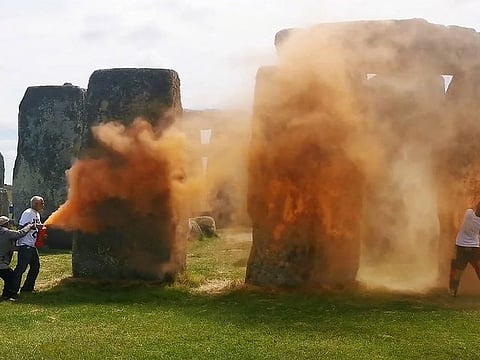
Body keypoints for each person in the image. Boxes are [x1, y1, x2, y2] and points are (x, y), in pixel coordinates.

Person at [11, 196, 45, 299]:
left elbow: (34, 227)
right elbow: (21, 227)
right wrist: (35, 226)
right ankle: (12, 291)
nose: (43, 205)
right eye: (41, 203)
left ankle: (27, 288)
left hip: (32, 245)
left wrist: (40, 233)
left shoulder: (37, 214)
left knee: (35, 266)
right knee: (21, 268)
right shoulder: (28, 213)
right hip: (25, 245)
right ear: (35, 204)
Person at [449, 201, 480, 297]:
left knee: (458, 272)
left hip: (460, 246)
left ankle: (453, 291)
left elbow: (472, 207)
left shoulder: (468, 213)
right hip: (474, 248)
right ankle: (452, 290)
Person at [0, 216, 33, 301]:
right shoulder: (6, 232)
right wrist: (29, 226)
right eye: (10, 223)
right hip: (1, 264)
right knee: (10, 277)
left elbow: (8, 246)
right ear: (6, 224)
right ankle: (6, 296)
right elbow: (20, 234)